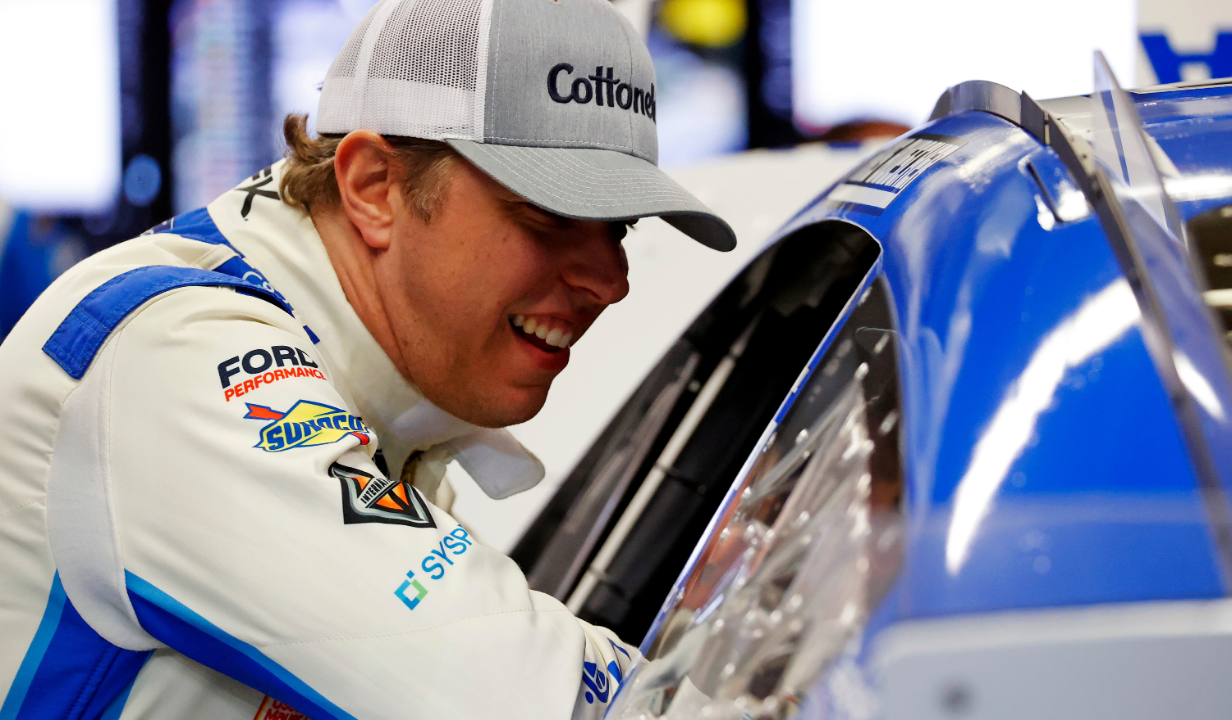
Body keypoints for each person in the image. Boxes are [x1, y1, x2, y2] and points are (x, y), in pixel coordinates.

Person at [0, 0, 735, 717]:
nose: (612, 281)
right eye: (551, 216)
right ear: (373, 188)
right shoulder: (177, 356)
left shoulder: (375, 365)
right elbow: (525, 694)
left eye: (621, 226)